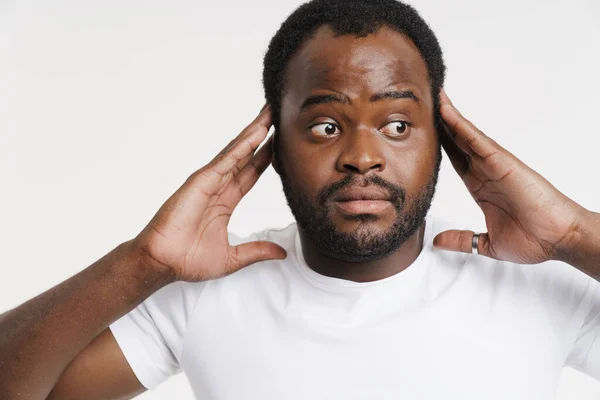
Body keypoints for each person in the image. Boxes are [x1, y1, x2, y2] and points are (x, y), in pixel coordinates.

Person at [1, 0, 599, 398]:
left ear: (442, 139)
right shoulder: (201, 293)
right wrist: (141, 265)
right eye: (325, 126)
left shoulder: (543, 283)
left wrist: (576, 237)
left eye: (396, 124)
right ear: (274, 146)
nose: (362, 158)